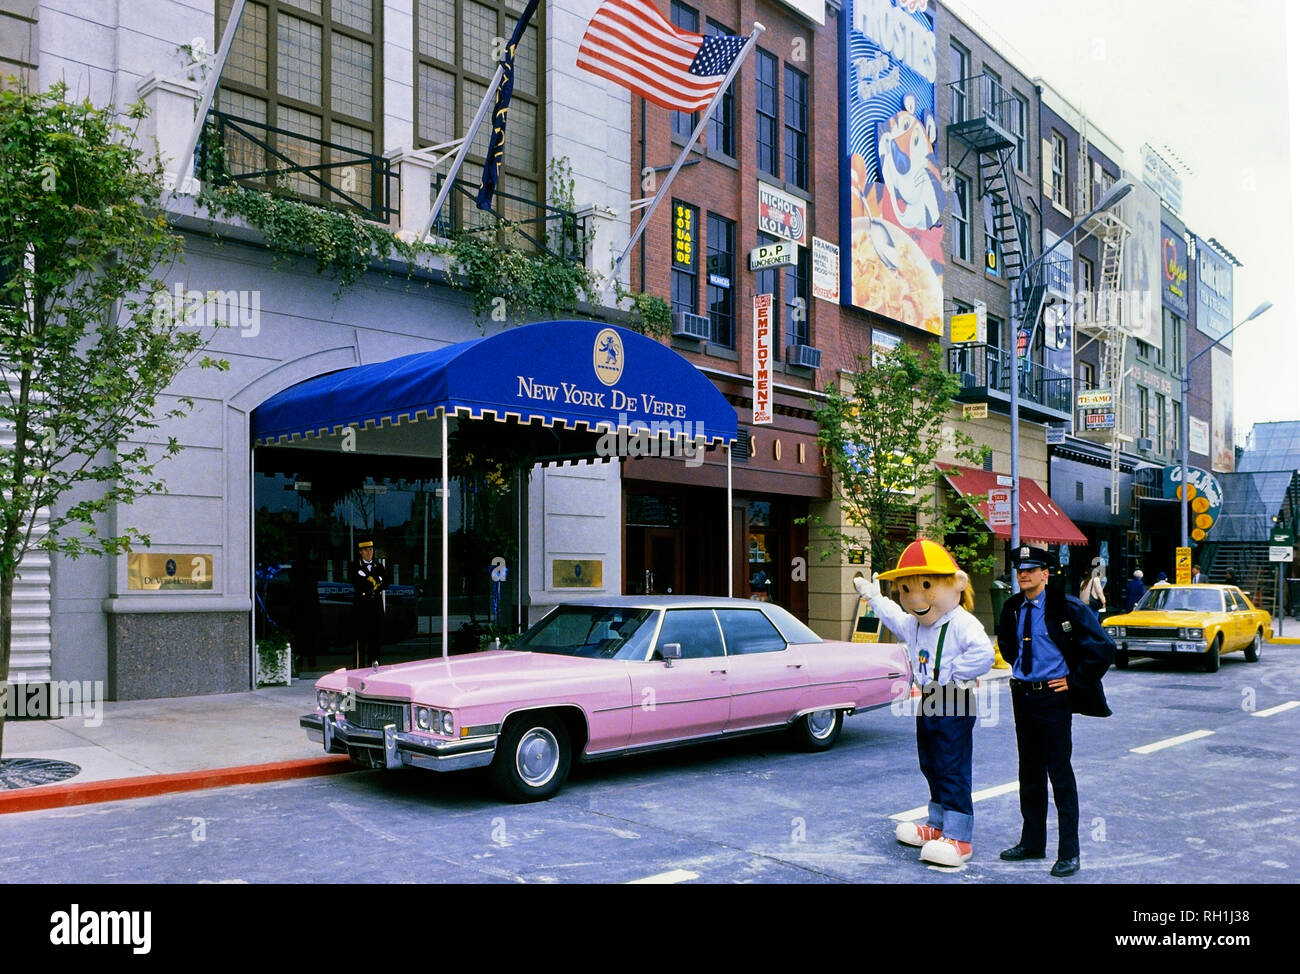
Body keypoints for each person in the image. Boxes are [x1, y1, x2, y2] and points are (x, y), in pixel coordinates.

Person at [854, 539, 993, 867]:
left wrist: (956, 676)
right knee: (930, 763)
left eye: (926, 586)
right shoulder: (915, 624)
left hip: (953, 699)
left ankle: (959, 836)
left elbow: (984, 654)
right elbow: (892, 616)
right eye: (906, 589)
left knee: (952, 766)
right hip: (929, 699)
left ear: (955, 583)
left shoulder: (961, 622)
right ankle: (937, 825)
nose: (915, 598)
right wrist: (874, 596)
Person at [996, 545, 1115, 878]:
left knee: (1059, 774)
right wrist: (1023, 671)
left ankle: (1069, 853)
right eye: (1020, 570)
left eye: (1031, 570)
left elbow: (1103, 649)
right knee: (1029, 773)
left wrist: (1075, 682)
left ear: (1045, 574)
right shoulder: (1012, 608)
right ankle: (1032, 842)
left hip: (1053, 699)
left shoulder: (1067, 607)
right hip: (1023, 697)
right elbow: (1008, 647)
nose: (1024, 575)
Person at [349, 539, 388, 666]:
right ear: (360, 552)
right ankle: (358, 669)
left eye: (371, 549)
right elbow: (359, 584)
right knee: (360, 642)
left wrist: (372, 581)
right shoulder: (355, 566)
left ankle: (374, 669)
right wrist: (376, 581)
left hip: (375, 607)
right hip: (361, 608)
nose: (369, 552)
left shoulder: (379, 566)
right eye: (366, 550)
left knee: (375, 642)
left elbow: (386, 584)